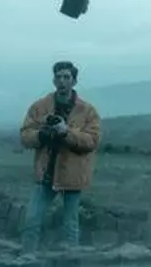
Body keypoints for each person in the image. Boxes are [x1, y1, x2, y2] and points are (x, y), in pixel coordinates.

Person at [19, 60, 102, 252]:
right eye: (58, 77)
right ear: (53, 80)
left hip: (73, 173)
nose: (62, 81)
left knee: (70, 224)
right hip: (46, 172)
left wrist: (67, 132)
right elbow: (24, 136)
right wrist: (42, 134)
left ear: (74, 81)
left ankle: (70, 263)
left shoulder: (87, 111)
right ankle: (27, 257)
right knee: (32, 219)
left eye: (66, 77)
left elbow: (92, 141)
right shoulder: (40, 107)